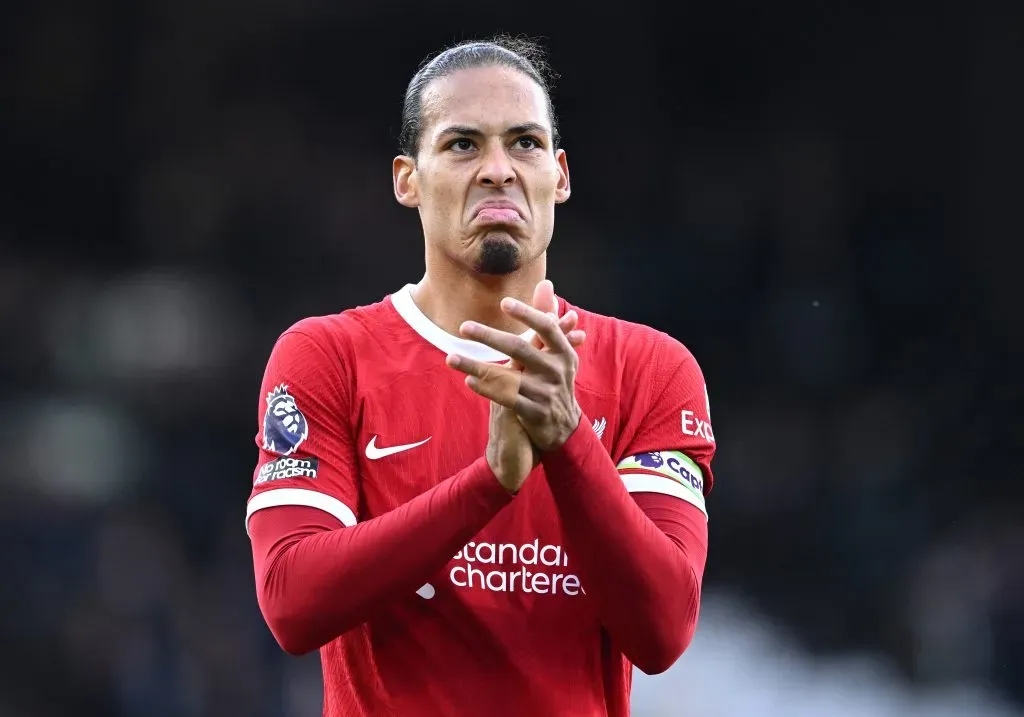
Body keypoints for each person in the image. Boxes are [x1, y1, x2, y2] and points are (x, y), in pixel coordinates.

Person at [246, 36, 716, 717]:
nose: (498, 169)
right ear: (408, 180)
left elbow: (664, 630)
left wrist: (567, 438)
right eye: (463, 144)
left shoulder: (651, 370)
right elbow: (292, 602)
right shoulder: (328, 356)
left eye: (524, 143)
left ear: (559, 175)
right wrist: (489, 483)